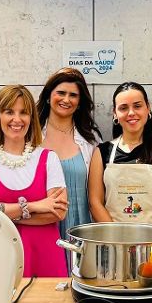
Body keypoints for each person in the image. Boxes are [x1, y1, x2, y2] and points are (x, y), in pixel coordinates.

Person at [0, 85, 69, 277]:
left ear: (31, 118)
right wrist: (33, 206)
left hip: (45, 255)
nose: (17, 119)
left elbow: (58, 212)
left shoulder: (49, 158)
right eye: (9, 112)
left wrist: (2, 212)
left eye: (24, 112)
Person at [88, 82, 152, 227]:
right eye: (123, 108)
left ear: (148, 108)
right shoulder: (102, 152)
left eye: (137, 106)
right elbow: (95, 203)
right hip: (114, 243)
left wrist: (151, 239)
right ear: (115, 113)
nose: (131, 113)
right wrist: (116, 238)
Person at [37, 68, 100, 241]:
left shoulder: (91, 139)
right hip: (44, 225)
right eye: (61, 93)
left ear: (80, 102)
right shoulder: (31, 136)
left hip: (83, 228)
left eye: (73, 95)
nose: (66, 99)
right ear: (49, 97)